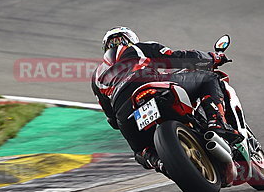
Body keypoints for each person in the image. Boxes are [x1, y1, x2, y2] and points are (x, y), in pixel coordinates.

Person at [91, 25, 246, 173]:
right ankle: (216, 122)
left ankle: (157, 161)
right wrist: (212, 58)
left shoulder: (96, 76)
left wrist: (120, 120)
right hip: (151, 86)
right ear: (131, 38)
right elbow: (178, 58)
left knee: (140, 151)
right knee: (209, 79)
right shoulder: (139, 48)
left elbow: (111, 117)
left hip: (124, 112)